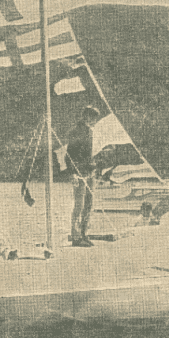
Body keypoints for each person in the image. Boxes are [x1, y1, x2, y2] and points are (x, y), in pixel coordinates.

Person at [67, 105, 100, 247]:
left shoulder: (92, 132)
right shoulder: (76, 131)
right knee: (79, 205)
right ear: (86, 116)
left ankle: (84, 234)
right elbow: (69, 155)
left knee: (89, 205)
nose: (94, 121)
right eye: (93, 118)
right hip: (79, 173)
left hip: (90, 172)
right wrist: (72, 173)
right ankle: (75, 237)